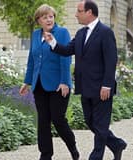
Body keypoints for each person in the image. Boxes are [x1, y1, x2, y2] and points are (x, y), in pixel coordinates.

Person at [43, 0, 127, 160]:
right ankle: (116, 144)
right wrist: (52, 41)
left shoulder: (105, 32)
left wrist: (107, 85)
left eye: (79, 11)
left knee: (101, 125)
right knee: (91, 122)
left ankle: (95, 157)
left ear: (89, 12)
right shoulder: (81, 33)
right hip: (85, 87)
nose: (76, 14)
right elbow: (67, 50)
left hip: (102, 88)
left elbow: (111, 61)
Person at [19, 4, 80, 160]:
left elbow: (65, 58)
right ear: (38, 20)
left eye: (51, 16)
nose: (49, 19)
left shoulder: (62, 32)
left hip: (58, 85)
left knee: (58, 120)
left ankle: (73, 149)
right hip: (39, 85)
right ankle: (45, 155)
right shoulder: (35, 35)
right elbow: (32, 60)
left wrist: (65, 81)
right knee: (43, 121)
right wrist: (27, 82)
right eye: (45, 17)